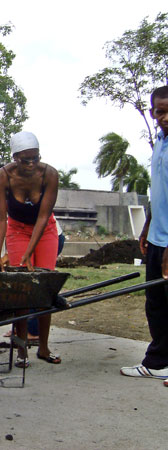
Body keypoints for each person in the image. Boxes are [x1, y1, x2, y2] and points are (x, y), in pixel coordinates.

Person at [0, 131, 60, 368]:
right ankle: (20, 348)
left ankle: (44, 347)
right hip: (17, 230)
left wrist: (31, 251)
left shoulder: (49, 174)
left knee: (44, 288)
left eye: (35, 158)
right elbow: (0, 218)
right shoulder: (2, 176)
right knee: (20, 288)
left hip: (45, 230)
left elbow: (43, 216)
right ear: (15, 158)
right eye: (25, 160)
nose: (31, 165)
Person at [121, 85, 168, 384]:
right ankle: (157, 362)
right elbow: (159, 191)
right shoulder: (160, 142)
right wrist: (148, 224)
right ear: (152, 113)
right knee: (156, 304)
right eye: (161, 112)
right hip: (157, 238)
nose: (165, 118)